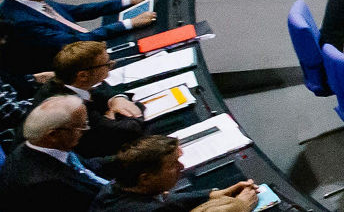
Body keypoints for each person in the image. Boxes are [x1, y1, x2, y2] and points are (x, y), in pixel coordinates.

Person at [92, 134, 260, 212]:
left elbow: (165, 198)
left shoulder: (114, 188)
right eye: (173, 164)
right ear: (146, 178)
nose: (182, 166)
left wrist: (213, 195)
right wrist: (241, 205)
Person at [35, 40, 144, 160]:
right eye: (107, 64)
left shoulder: (60, 82)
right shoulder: (71, 108)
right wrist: (137, 106)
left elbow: (99, 89)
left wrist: (118, 99)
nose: (112, 65)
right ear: (83, 75)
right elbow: (128, 130)